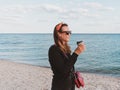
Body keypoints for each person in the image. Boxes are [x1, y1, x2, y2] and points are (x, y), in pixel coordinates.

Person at [48, 22, 85, 90]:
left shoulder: (66, 49)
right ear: (59, 34)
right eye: (67, 32)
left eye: (70, 32)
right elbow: (63, 71)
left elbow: (69, 66)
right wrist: (76, 53)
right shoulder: (53, 50)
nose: (69, 34)